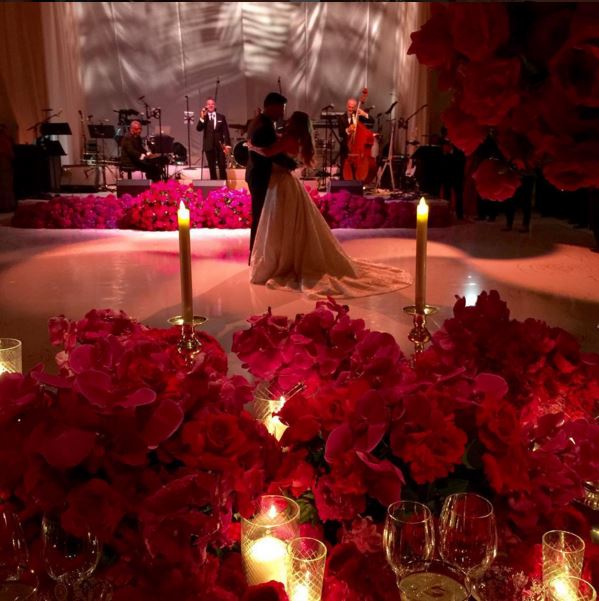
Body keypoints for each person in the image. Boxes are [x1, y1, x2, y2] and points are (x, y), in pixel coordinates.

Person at [248, 111, 412, 299]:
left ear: (295, 124)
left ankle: (283, 261)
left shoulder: (287, 139)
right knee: (291, 224)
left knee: (281, 223)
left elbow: (268, 152)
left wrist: (251, 146)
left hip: (281, 184)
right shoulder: (293, 138)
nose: (287, 121)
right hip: (284, 183)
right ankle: (287, 257)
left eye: (291, 120)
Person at [245, 92, 296, 256]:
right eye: (281, 108)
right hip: (260, 175)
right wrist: (291, 164)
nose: (282, 112)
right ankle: (255, 254)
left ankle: (258, 252)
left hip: (256, 173)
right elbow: (271, 153)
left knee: (260, 215)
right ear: (272, 106)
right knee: (260, 216)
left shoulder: (259, 121)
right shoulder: (264, 125)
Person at [338, 97, 374, 179]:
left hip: (358, 150)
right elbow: (340, 133)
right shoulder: (341, 118)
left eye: (352, 107)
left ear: (355, 107)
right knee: (344, 174)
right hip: (346, 149)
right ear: (346, 106)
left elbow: (372, 121)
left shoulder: (358, 116)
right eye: (349, 107)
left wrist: (364, 114)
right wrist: (348, 130)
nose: (350, 109)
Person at [196, 97, 231, 180]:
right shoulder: (204, 117)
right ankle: (214, 185)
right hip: (209, 145)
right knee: (212, 167)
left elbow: (226, 131)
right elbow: (198, 128)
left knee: (222, 166)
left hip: (220, 145)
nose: (210, 105)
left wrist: (228, 145)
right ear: (206, 106)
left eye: (212, 104)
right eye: (208, 104)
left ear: (215, 106)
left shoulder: (221, 117)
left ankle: (223, 185)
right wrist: (202, 117)